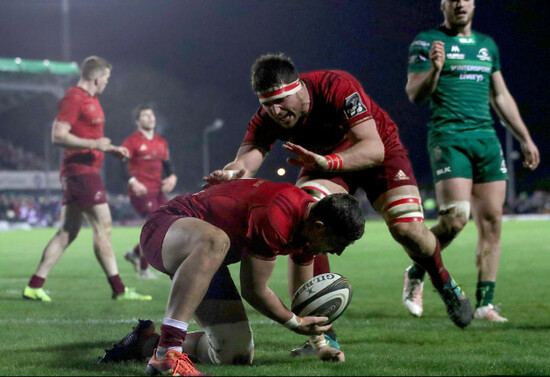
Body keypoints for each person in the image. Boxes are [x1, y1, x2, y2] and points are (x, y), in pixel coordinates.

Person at [204, 53, 474, 357]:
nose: (276, 111)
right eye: (268, 105)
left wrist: (327, 161)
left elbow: (372, 148)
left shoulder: (336, 86)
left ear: (299, 87)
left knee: (408, 230)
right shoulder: (269, 114)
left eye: (281, 101)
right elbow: (247, 158)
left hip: (376, 154)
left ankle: (442, 280)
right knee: (305, 221)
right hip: (323, 163)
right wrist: (231, 172)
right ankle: (321, 335)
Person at [139, 178, 366, 375]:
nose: (337, 252)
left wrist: (320, 344)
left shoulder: (309, 228)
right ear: (319, 227)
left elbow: (303, 297)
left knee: (234, 354)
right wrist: (294, 323)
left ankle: (144, 343)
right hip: (166, 229)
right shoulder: (278, 212)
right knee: (217, 240)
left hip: (209, 259)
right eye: (338, 244)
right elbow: (254, 290)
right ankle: (167, 349)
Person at [404, 0, 540, 322]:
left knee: (492, 222)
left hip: (486, 139)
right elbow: (415, 93)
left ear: (473, 3)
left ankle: (484, 304)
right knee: (455, 219)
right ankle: (416, 271)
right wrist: (435, 69)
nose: (459, 3)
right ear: (443, 5)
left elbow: (501, 96)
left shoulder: (486, 45)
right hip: (449, 137)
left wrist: (525, 138)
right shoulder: (426, 42)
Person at [22, 56, 151, 302]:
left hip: (82, 173)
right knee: (103, 227)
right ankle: (119, 290)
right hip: (81, 174)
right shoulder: (74, 98)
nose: (107, 83)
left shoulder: (91, 101)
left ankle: (34, 286)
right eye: (106, 79)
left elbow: (92, 140)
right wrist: (95, 144)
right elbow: (58, 136)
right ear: (96, 77)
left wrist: (111, 148)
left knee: (67, 232)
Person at [121, 104, 177, 279]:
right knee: (154, 224)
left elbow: (168, 165)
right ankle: (143, 270)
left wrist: (172, 177)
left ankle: (135, 253)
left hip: (158, 189)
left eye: (151, 115)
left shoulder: (161, 142)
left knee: (168, 223)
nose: (150, 118)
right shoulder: (131, 141)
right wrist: (133, 182)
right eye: (145, 115)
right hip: (141, 191)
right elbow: (122, 165)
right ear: (138, 121)